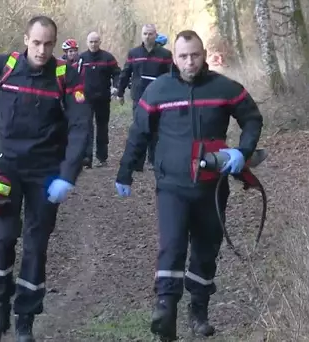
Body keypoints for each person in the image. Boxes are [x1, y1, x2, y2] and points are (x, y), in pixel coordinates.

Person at [114, 30, 263, 341]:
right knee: (172, 245)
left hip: (212, 186)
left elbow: (252, 118)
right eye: (183, 56)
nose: (189, 61)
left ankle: (199, 311)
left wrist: (242, 151)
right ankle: (165, 310)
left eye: (194, 55)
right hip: (171, 184)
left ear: (204, 54)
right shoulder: (158, 91)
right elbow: (138, 132)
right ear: (174, 58)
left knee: (206, 249)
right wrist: (125, 172)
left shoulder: (224, 88)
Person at [0, 15, 91, 342]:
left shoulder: (65, 75)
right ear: (25, 39)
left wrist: (68, 175)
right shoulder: (2, 66)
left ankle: (25, 321)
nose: (42, 50)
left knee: (36, 246)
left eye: (48, 44)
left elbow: (80, 127)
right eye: (36, 43)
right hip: (4, 171)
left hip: (45, 177)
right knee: (3, 241)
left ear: (55, 43)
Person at [116, 24, 172, 172]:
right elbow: (125, 73)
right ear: (142, 35)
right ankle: (137, 163)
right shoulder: (134, 53)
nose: (148, 36)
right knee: (140, 129)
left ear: (156, 35)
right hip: (139, 96)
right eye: (145, 34)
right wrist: (120, 92)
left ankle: (153, 160)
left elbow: (171, 76)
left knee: (156, 130)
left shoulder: (165, 55)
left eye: (151, 34)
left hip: (159, 98)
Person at [75, 31, 120, 168]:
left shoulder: (108, 58)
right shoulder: (81, 58)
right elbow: (74, 77)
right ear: (87, 42)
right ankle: (87, 158)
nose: (93, 44)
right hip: (86, 99)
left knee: (102, 128)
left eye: (96, 41)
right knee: (87, 128)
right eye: (91, 42)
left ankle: (102, 158)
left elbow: (117, 73)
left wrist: (116, 87)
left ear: (100, 42)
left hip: (103, 98)